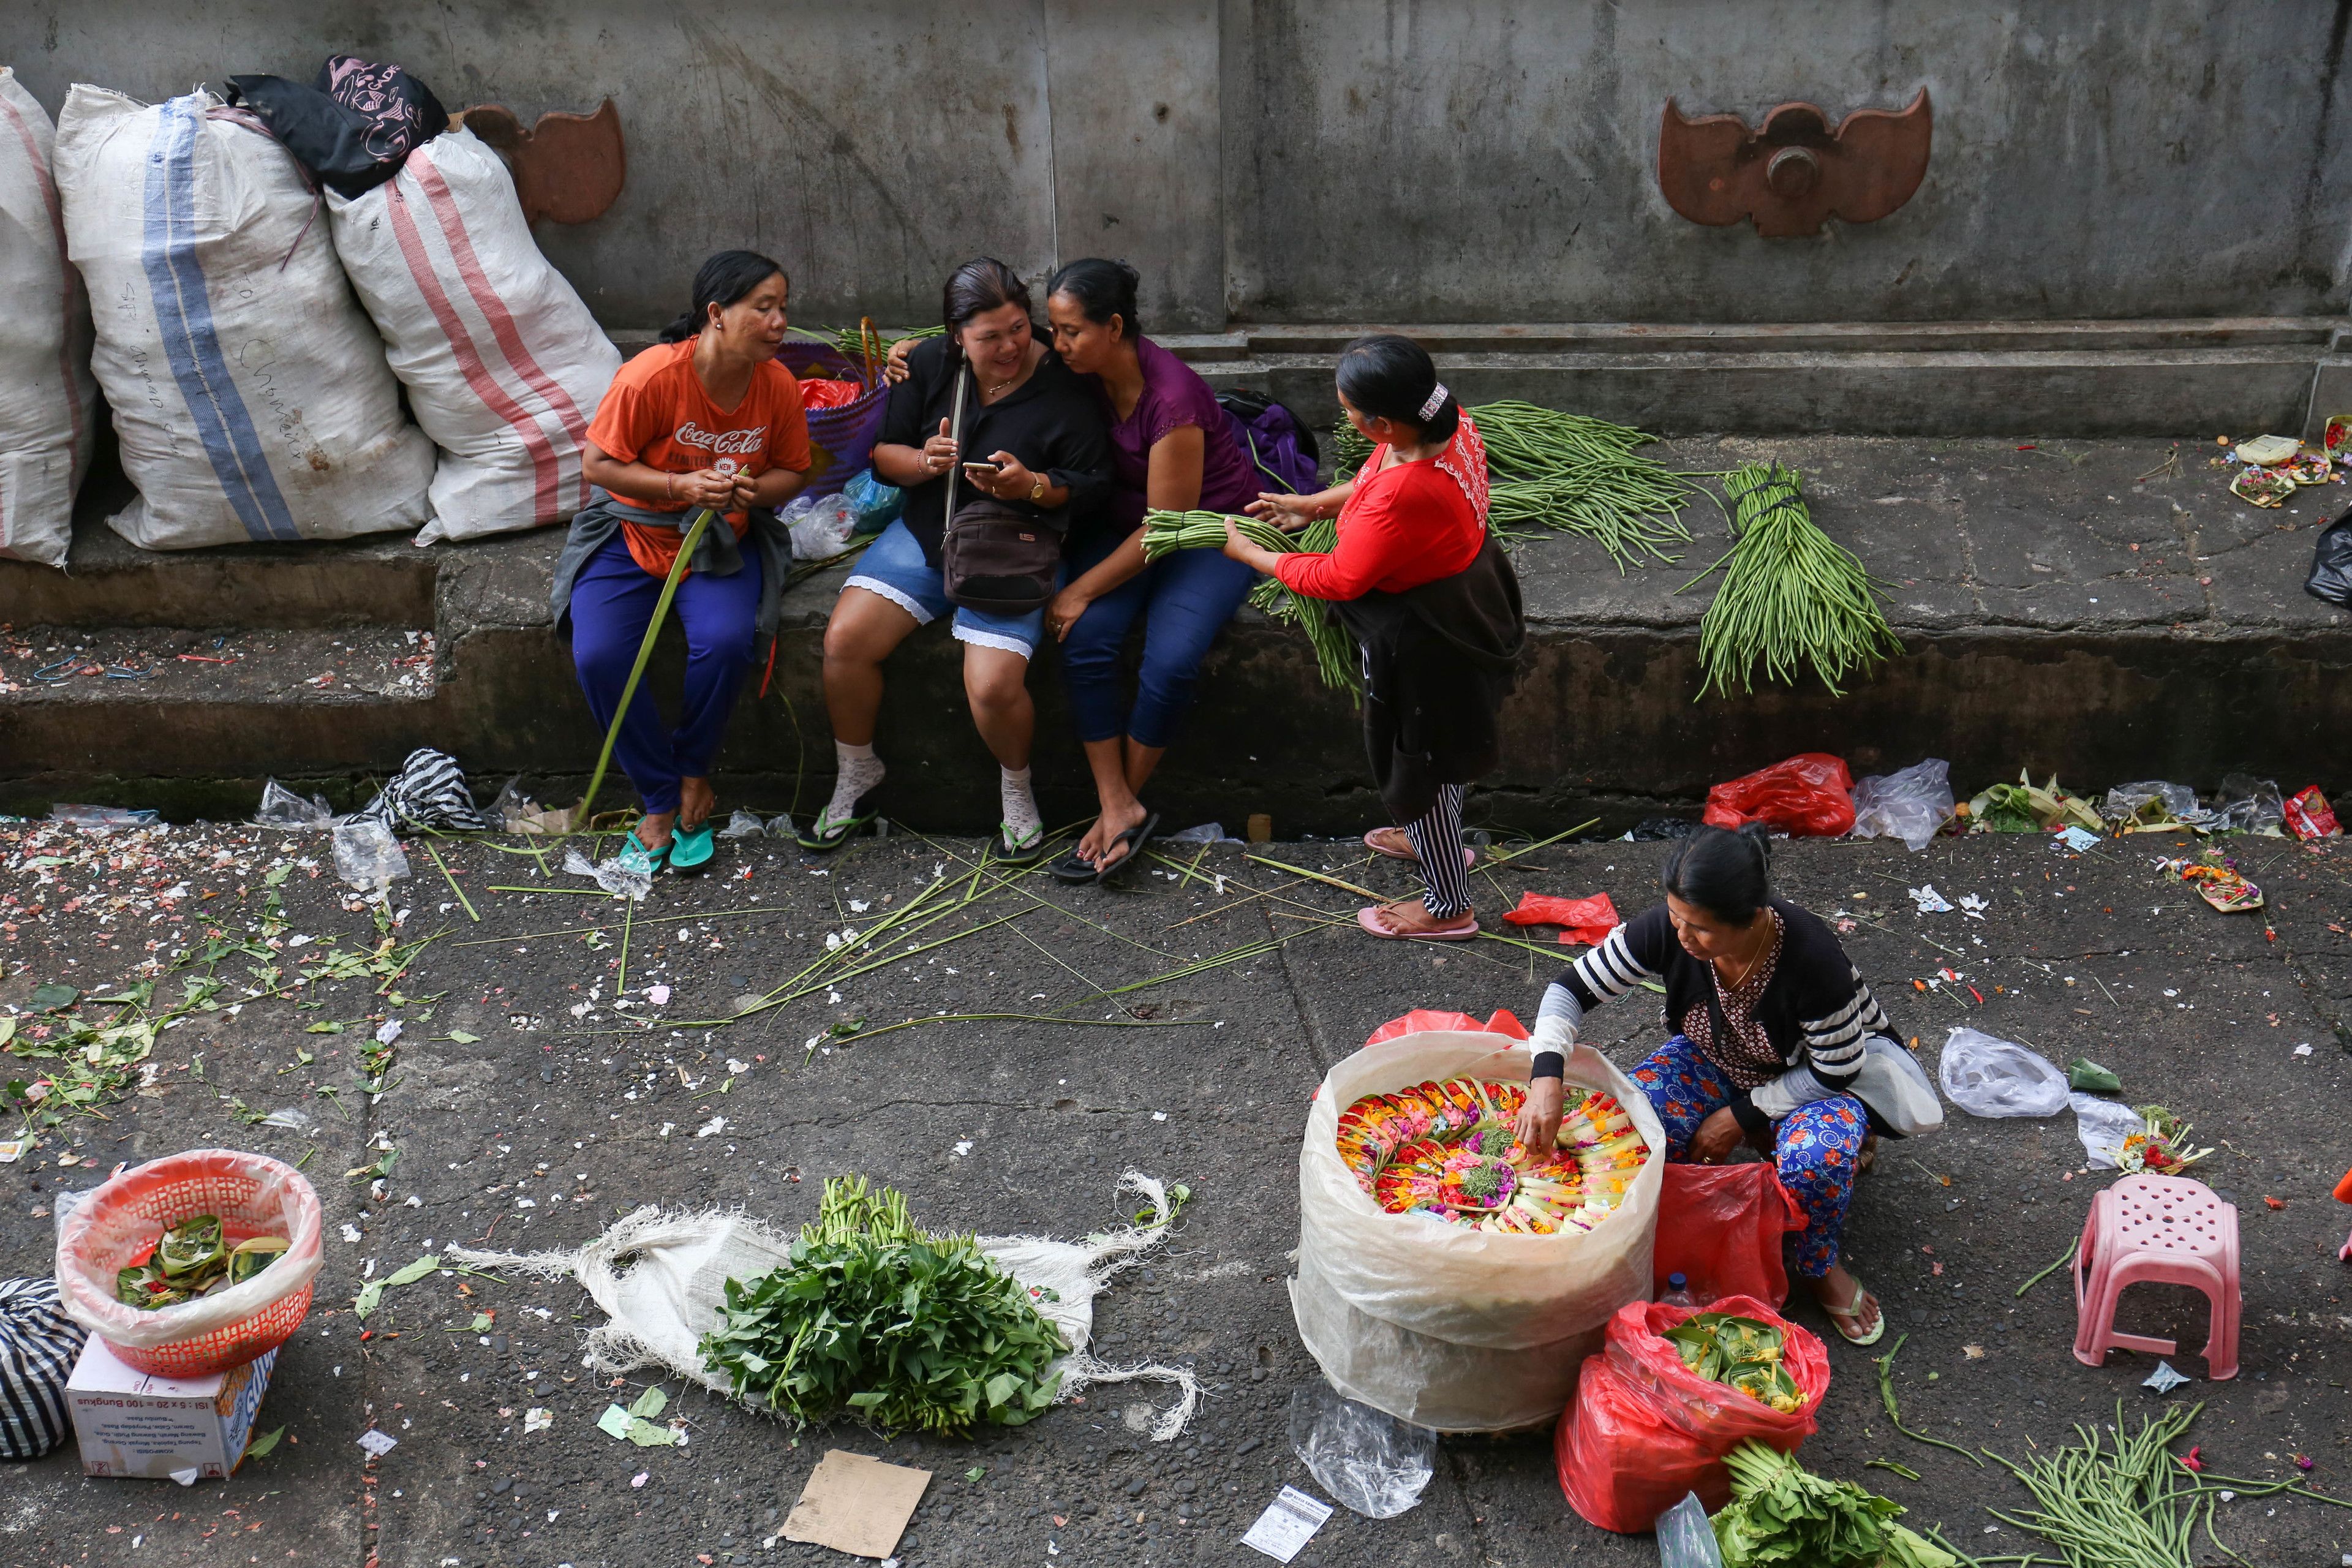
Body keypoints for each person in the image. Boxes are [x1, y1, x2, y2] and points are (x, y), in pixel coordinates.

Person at [1514, 824, 1902, 1345]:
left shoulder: (1812, 960)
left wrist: (1739, 1117)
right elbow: (1569, 990)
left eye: (1699, 928)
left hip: (1812, 1080)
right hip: (1715, 1058)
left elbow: (1838, 1068)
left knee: (1817, 1159)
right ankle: (1652, 1232)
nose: (1682, 936)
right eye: (1676, 918)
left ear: (1753, 918)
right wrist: (1546, 1078)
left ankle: (1818, 1264)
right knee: (1626, 1129)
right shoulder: (1672, 928)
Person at [809, 258, 1112, 861]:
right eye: (989, 337)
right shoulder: (928, 364)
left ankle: (1017, 789)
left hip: (1017, 545)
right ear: (957, 337)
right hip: (931, 531)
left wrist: (1032, 486)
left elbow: (1094, 484)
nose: (1009, 347)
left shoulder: (1066, 382)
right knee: (844, 641)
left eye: (1018, 329)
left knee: (992, 685)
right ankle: (857, 770)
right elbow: (884, 456)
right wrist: (924, 462)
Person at [1221, 334, 1523, 938]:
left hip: (1425, 636)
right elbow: (1375, 477)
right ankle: (1434, 841)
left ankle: (1449, 905)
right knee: (1439, 748)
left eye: (1350, 412)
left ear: (1382, 423)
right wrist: (1313, 505)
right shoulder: (1445, 421)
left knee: (1419, 765)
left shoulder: (1405, 493)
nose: (1347, 420)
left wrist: (1253, 556)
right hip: (1466, 596)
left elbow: (1338, 576)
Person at [554, 250, 810, 876]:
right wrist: (679, 486)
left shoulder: (777, 385)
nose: (780, 322)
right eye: (764, 308)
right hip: (632, 533)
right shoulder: (650, 378)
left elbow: (794, 472)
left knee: (725, 643)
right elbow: (598, 465)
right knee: (599, 655)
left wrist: (752, 491)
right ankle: (660, 796)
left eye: (783, 308)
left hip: (719, 541)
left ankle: (695, 772)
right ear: (717, 314)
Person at [1036, 258, 1265, 882]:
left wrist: (1080, 588)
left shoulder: (1174, 401)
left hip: (1203, 534)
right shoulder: (1078, 367)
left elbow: (1167, 528)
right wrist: (911, 355)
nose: (1058, 344)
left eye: (1070, 331)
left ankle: (1121, 807)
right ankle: (1117, 803)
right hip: (1126, 525)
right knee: (1085, 638)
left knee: (1171, 659)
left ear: (1114, 328)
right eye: (1054, 330)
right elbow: (993, 345)